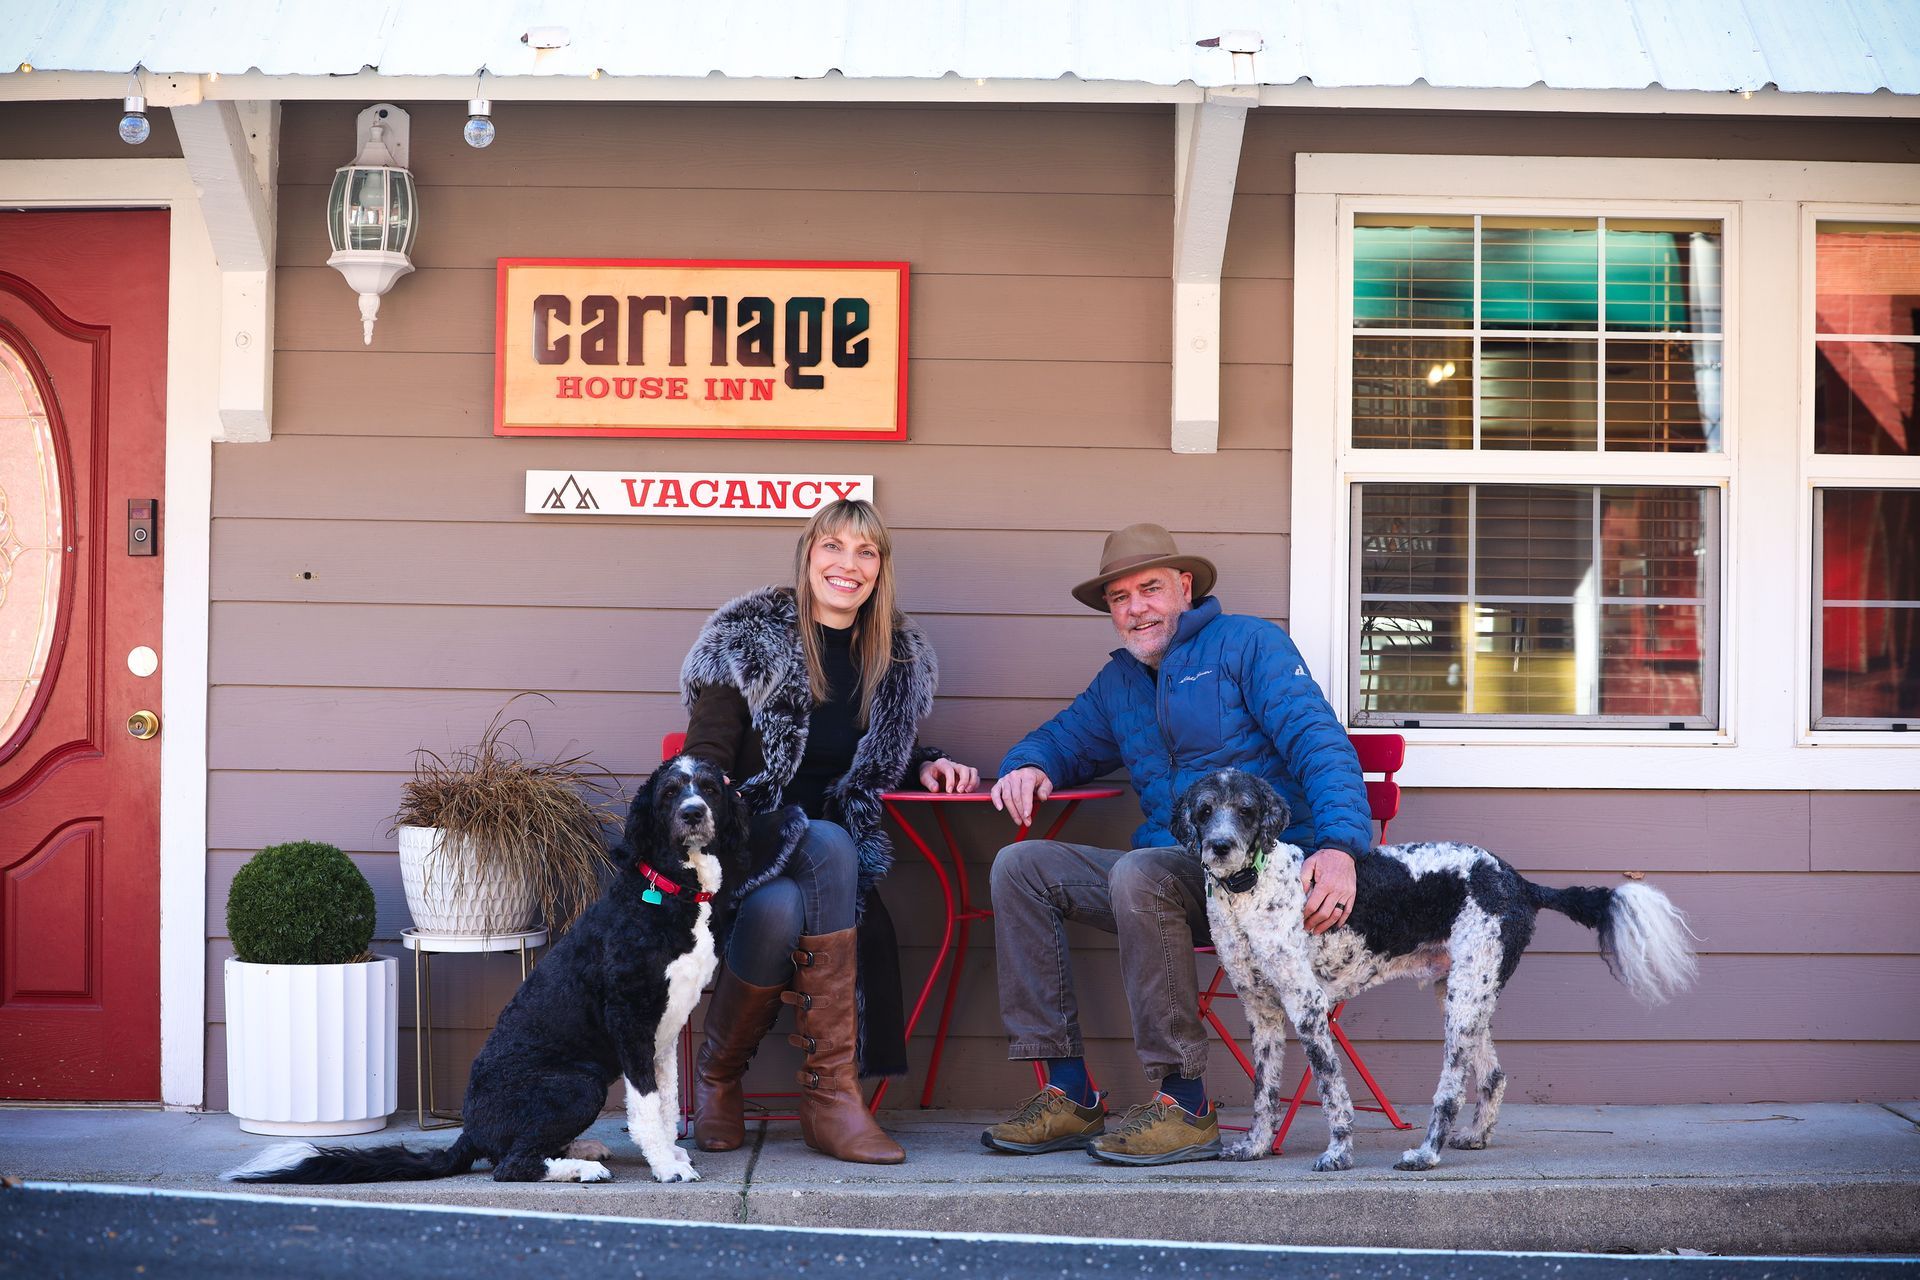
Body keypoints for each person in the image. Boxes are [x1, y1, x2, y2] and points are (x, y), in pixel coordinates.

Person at [981, 522, 1372, 1166]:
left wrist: (1340, 848)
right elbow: (1063, 738)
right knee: (1020, 865)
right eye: (1120, 598)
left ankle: (1185, 1105)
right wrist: (1029, 763)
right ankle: (1067, 1094)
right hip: (1174, 879)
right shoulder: (1119, 684)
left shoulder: (1248, 645)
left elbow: (1318, 742)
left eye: (1150, 589)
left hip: (1262, 883)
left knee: (1141, 872)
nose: (1136, 608)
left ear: (1184, 589)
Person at [679, 499, 980, 1165]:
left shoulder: (892, 658)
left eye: (865, 552)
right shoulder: (749, 640)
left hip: (823, 878)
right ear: (808, 555)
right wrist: (708, 792)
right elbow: (706, 752)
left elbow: (888, 751)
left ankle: (753, 1082)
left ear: (881, 569)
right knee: (823, 843)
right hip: (749, 844)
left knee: (790, 902)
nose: (849, 564)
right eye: (833, 547)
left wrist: (931, 764)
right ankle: (812, 1092)